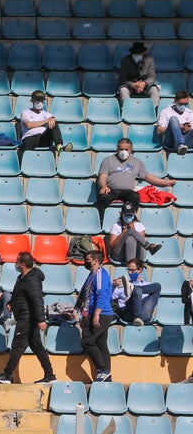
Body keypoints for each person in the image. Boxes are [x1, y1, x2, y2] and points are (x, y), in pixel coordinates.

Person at [0, 252, 56, 384]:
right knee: (37, 347)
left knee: (17, 346)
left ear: (23, 264)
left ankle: (7, 375)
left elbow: (37, 299)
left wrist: (41, 319)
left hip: (27, 318)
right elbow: (20, 295)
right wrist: (11, 304)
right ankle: (50, 375)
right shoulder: (22, 278)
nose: (15, 264)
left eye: (17, 262)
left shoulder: (32, 279)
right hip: (24, 316)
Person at [95, 138, 175, 220]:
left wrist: (166, 183)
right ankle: (101, 220)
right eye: (121, 149)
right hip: (110, 190)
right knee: (103, 197)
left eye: (126, 149)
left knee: (135, 196)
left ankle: (131, 220)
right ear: (117, 149)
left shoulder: (137, 162)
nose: (124, 152)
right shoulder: (108, 160)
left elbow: (148, 177)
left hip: (126, 192)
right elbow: (102, 177)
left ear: (131, 150)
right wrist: (104, 186)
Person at [76, 251, 114, 382]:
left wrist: (96, 314)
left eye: (87, 259)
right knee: (101, 343)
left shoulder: (100, 274)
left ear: (95, 261)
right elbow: (86, 296)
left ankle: (102, 370)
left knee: (87, 341)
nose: (85, 262)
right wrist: (81, 313)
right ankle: (106, 376)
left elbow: (102, 295)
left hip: (101, 314)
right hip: (94, 313)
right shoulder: (91, 275)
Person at [18, 90, 72, 158]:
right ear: (32, 101)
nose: (40, 102)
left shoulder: (47, 114)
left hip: (43, 138)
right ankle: (25, 164)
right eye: (37, 100)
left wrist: (52, 119)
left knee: (54, 122)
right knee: (27, 145)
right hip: (30, 138)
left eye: (41, 100)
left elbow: (52, 121)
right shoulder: (25, 112)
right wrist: (46, 121)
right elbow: (29, 125)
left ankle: (59, 146)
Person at [113, 259, 162, 326]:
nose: (129, 272)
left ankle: (133, 289)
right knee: (137, 292)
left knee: (157, 286)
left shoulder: (148, 285)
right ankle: (137, 316)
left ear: (140, 270)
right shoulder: (122, 285)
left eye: (132, 270)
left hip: (145, 314)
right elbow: (109, 299)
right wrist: (112, 286)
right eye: (128, 270)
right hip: (129, 314)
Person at [117, 41, 160, 108]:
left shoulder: (149, 60)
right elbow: (122, 78)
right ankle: (127, 109)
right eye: (135, 53)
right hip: (130, 86)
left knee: (154, 90)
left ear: (143, 52)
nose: (137, 54)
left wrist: (144, 83)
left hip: (145, 86)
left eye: (139, 53)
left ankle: (153, 110)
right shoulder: (125, 60)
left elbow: (152, 77)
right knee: (123, 90)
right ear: (132, 52)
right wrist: (132, 85)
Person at [156, 90, 193, 154]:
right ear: (175, 101)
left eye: (185, 104)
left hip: (186, 141)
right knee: (173, 119)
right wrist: (175, 128)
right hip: (171, 141)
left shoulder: (190, 113)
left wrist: (188, 129)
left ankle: (182, 146)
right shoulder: (166, 111)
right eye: (181, 104)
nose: (183, 106)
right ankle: (180, 144)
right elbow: (159, 130)